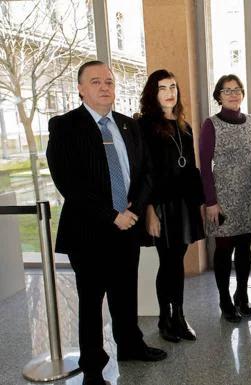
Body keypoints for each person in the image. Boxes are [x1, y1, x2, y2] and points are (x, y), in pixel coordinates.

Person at [46, 61, 166, 385]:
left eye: (109, 82)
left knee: (125, 294)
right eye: (96, 82)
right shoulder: (65, 127)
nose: (104, 87)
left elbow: (145, 174)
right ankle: (94, 368)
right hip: (89, 232)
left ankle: (130, 345)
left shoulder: (129, 126)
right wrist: (112, 215)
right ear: (81, 89)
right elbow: (68, 184)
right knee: (91, 302)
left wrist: (134, 211)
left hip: (128, 227)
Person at [138, 69, 205, 343]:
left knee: (177, 261)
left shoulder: (184, 127)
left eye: (173, 87)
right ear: (154, 94)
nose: (170, 92)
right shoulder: (145, 126)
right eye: (163, 87)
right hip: (161, 205)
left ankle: (179, 315)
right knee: (167, 262)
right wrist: (150, 209)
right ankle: (165, 319)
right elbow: (144, 171)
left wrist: (200, 203)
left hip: (184, 204)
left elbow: (191, 169)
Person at [199, 74, 251, 323]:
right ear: (218, 96)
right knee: (224, 249)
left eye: (237, 89)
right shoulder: (211, 125)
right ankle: (225, 300)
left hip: (249, 195)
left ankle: (242, 296)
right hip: (222, 196)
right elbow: (204, 166)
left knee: (245, 247)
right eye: (227, 91)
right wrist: (210, 201)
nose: (233, 94)